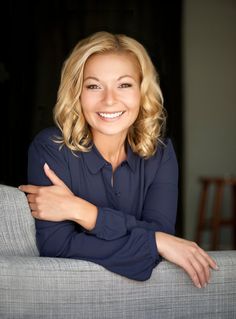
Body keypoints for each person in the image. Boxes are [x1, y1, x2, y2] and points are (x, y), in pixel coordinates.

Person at [19, 31, 218, 287]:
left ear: (142, 92)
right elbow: (57, 246)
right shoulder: (50, 149)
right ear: (76, 93)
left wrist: (84, 212)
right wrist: (153, 241)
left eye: (124, 85)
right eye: (93, 86)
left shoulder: (161, 152)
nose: (109, 100)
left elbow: (161, 236)